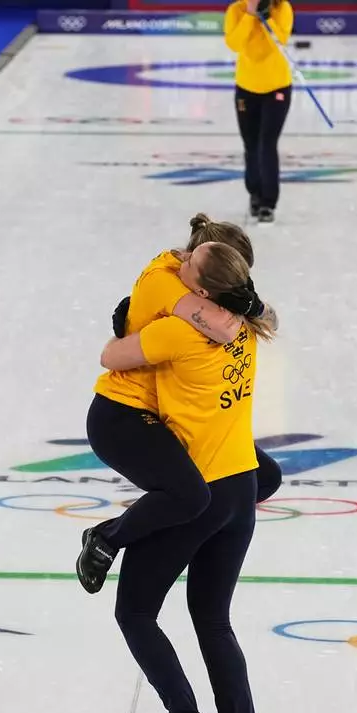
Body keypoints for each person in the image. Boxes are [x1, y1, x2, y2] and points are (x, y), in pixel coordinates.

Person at [96, 243, 274, 713]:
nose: (178, 266)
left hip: (199, 493)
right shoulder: (248, 326)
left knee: (135, 612)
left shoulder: (178, 332)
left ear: (199, 292)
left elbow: (110, 356)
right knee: (213, 622)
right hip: (241, 486)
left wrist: (134, 319)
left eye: (187, 269)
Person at [77, 214, 282, 594]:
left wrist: (249, 304)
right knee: (192, 496)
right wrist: (248, 307)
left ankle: (178, 523)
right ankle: (108, 537)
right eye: (232, 282)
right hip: (129, 410)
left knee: (262, 477)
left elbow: (269, 320)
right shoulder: (164, 281)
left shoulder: (201, 290)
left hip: (175, 410)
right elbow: (222, 328)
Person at [224, 0, 294, 223]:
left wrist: (266, 17)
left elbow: (279, 41)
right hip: (246, 88)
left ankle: (268, 201)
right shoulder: (236, 10)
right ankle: (254, 192)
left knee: (267, 143)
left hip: (276, 87)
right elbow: (234, 44)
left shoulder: (282, 8)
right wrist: (250, 15)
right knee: (251, 144)